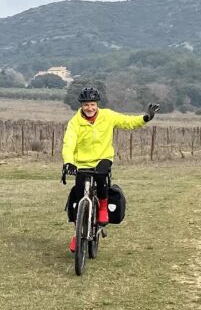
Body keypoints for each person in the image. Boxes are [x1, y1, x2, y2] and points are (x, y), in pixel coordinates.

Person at [61, 86, 159, 253]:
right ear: (81, 106)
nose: (89, 108)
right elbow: (68, 143)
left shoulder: (107, 116)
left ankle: (103, 208)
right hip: (82, 162)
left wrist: (146, 118)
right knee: (78, 195)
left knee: (101, 178)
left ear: (97, 104)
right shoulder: (74, 123)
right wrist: (69, 162)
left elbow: (127, 122)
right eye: (86, 105)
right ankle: (77, 234)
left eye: (92, 104)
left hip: (103, 158)